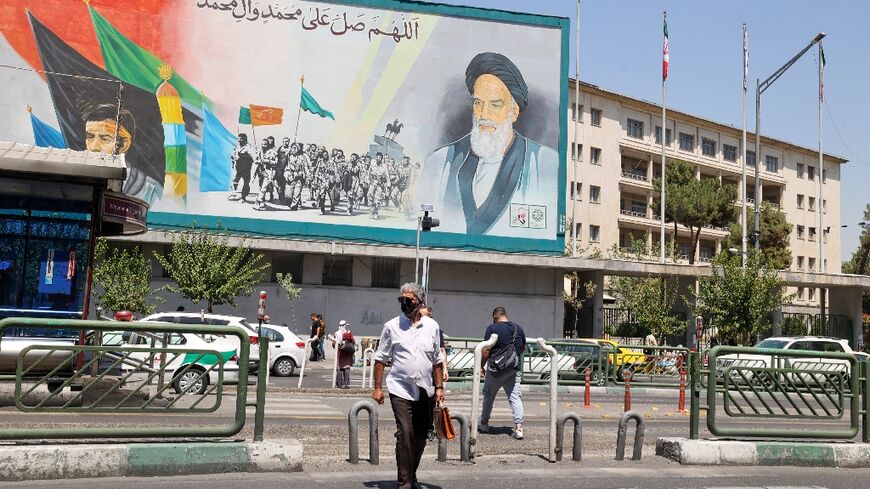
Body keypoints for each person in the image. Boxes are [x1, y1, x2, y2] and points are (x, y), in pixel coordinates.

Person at [418, 52, 558, 237]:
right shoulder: (440, 161)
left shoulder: (543, 163)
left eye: (495, 105)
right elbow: (421, 228)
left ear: (514, 112)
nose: (484, 114)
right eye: (478, 103)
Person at [371, 283, 444, 489]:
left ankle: (411, 474)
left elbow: (437, 360)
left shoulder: (432, 326)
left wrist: (439, 388)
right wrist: (377, 387)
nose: (404, 303)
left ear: (420, 302)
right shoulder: (391, 326)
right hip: (399, 388)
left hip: (425, 389)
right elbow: (380, 358)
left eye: (408, 300)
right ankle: (404, 483)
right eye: (401, 300)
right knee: (405, 432)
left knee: (420, 435)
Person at [82, 103, 162, 204]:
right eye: (90, 137)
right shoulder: (77, 179)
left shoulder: (151, 191)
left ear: (123, 145)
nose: (93, 147)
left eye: (105, 139)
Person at [479, 306, 526, 440]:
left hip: (495, 370)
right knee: (515, 397)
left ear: (494, 316)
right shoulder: (518, 328)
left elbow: (486, 350)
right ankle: (518, 428)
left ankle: (484, 423)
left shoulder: (492, 329)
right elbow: (522, 348)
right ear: (505, 315)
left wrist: (481, 366)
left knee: (489, 395)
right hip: (513, 369)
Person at [231, 133, 256, 203]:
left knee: (246, 183)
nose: (239, 141)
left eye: (241, 139)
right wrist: (234, 157)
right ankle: (235, 193)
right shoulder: (237, 147)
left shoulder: (249, 147)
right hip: (238, 168)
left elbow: (253, 157)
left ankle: (243, 197)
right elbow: (235, 155)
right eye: (238, 139)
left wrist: (243, 156)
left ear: (244, 139)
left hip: (246, 168)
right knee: (234, 181)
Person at [332, 320, 354, 389]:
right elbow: (353, 341)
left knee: (339, 369)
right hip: (347, 353)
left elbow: (333, 344)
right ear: (345, 325)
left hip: (339, 353)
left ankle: (339, 384)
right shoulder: (349, 333)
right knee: (346, 368)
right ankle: (346, 384)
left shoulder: (336, 333)